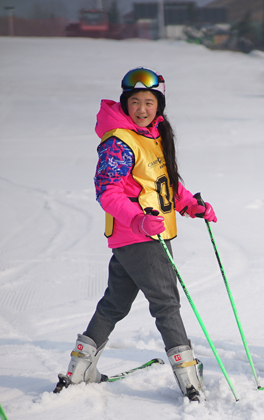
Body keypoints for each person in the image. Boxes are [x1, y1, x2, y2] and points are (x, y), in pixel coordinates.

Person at [54, 67, 217, 402]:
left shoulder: (153, 135)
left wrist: (190, 205)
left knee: (115, 303)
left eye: (149, 102)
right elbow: (108, 192)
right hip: (142, 237)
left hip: (142, 237)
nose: (142, 109)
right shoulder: (118, 141)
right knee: (167, 304)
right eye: (135, 102)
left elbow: (164, 183)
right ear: (125, 103)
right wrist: (140, 220)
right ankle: (188, 377)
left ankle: (80, 369)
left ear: (159, 105)